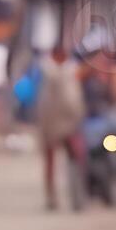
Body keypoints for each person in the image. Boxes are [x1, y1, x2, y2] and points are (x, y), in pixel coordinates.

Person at [36, 46, 87, 211]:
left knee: (73, 157)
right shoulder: (54, 71)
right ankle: (53, 197)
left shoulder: (66, 71)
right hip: (55, 121)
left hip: (65, 121)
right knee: (54, 160)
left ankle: (73, 196)